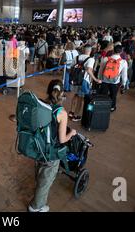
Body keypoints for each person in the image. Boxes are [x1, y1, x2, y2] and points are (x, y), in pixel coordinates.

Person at [28, 80, 77, 212]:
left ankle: (38, 190)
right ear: (62, 93)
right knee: (46, 180)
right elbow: (62, 139)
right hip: (51, 152)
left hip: (38, 147)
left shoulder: (41, 104)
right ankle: (36, 207)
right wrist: (71, 133)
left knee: (40, 172)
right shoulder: (62, 112)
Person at [69, 45, 102, 122]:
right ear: (90, 51)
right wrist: (96, 79)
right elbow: (89, 70)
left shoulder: (76, 57)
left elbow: (71, 68)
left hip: (75, 80)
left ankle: (71, 112)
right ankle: (75, 116)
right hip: (83, 81)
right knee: (80, 98)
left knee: (75, 95)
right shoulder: (91, 59)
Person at [98, 44, 128, 112]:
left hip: (104, 80)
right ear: (121, 52)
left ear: (113, 50)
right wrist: (124, 83)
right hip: (115, 81)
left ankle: (101, 106)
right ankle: (112, 107)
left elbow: (101, 70)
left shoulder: (105, 58)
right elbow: (124, 74)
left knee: (103, 94)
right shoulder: (123, 62)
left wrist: (99, 78)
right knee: (113, 95)